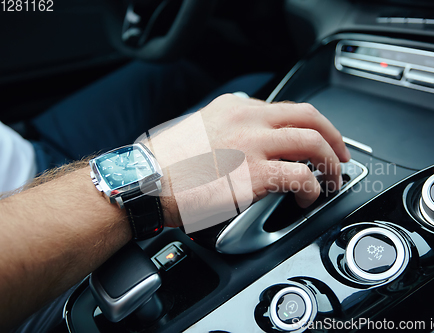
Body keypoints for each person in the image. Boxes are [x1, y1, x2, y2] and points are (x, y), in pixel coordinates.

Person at [0, 61, 350, 332]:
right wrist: (161, 175)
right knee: (249, 86)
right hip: (33, 223)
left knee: (166, 72)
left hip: (28, 151)